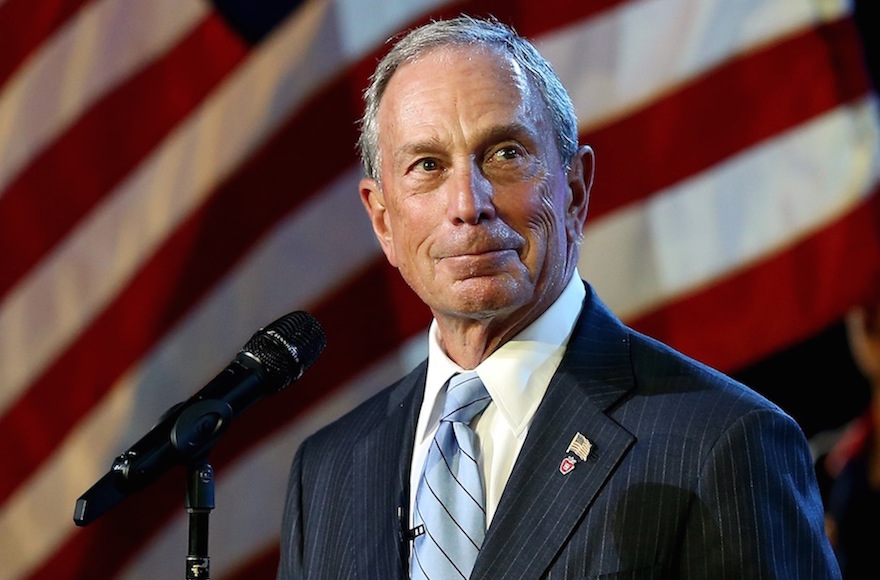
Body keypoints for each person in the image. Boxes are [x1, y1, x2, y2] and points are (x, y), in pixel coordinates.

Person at [278, 15, 839, 579]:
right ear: (383, 220)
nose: (469, 204)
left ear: (574, 190)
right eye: (428, 166)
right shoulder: (325, 474)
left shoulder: (723, 441)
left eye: (504, 154)